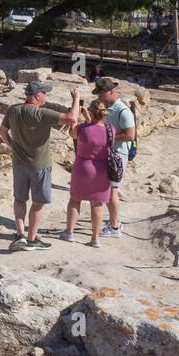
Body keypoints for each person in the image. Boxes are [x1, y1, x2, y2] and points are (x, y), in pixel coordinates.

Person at [0, 80, 81, 251]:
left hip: (19, 163)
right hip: (40, 165)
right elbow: (72, 118)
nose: (46, 96)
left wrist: (12, 147)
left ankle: (20, 235)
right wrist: (76, 98)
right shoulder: (41, 114)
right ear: (37, 96)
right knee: (38, 203)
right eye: (45, 93)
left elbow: (2, 131)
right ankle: (32, 239)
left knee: (19, 199)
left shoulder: (14, 110)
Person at [63, 98, 114, 246]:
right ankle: (95, 238)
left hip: (83, 167)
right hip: (103, 169)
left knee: (75, 199)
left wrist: (77, 119)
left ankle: (69, 232)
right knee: (97, 204)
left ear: (91, 112)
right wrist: (88, 118)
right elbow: (97, 130)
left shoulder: (82, 128)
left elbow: (72, 133)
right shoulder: (111, 129)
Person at [92, 76, 136, 238]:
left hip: (118, 154)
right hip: (109, 153)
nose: (99, 97)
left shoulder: (123, 111)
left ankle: (115, 227)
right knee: (109, 189)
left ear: (111, 92)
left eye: (101, 94)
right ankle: (113, 222)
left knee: (112, 191)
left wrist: (107, 137)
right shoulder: (108, 108)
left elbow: (130, 135)